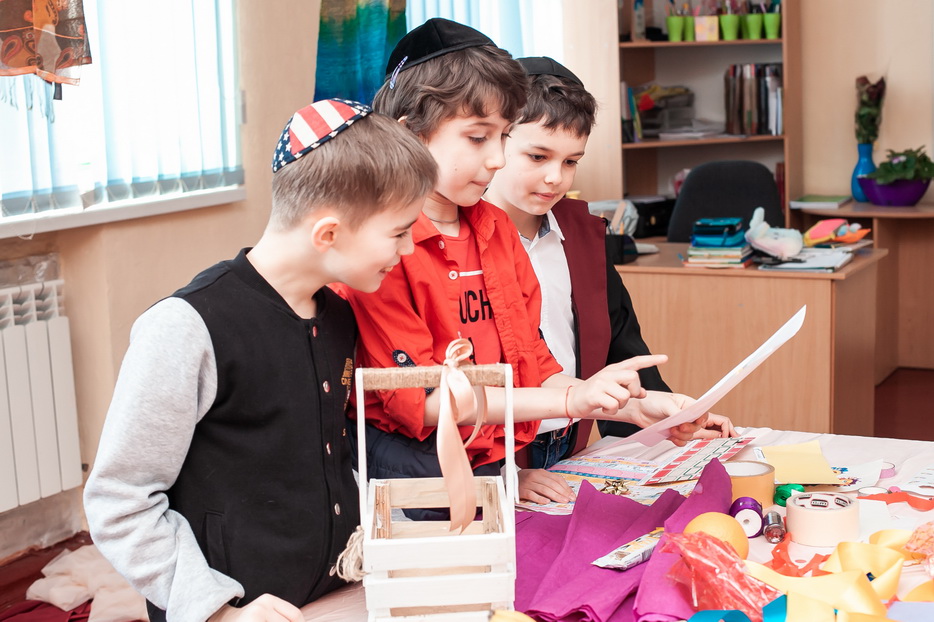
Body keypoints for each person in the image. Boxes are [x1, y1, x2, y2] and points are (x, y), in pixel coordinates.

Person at [334, 19, 713, 510]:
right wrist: (569, 402)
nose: (496, 160)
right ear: (409, 134)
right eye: (479, 138)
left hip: (494, 472)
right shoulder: (382, 251)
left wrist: (627, 404)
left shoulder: (494, 228)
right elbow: (423, 402)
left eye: (502, 138)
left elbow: (532, 362)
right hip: (413, 486)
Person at [83, 99, 439, 622]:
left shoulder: (338, 315)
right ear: (328, 233)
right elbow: (120, 502)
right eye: (399, 232)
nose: (408, 250)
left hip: (333, 599)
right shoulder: (185, 328)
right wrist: (219, 610)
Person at [484, 58, 736, 482]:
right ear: (494, 143)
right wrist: (499, 475)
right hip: (497, 455)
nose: (555, 178)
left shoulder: (584, 234)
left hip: (570, 445)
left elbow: (620, 341)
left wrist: (670, 417)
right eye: (537, 156)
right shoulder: (463, 243)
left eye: (571, 162)